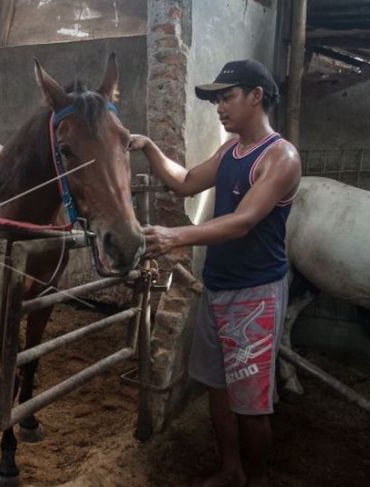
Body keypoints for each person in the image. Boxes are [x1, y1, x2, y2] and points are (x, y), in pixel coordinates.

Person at [129, 60, 301, 487]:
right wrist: (149, 146)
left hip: (256, 293)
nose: (220, 108)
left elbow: (242, 222)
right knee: (217, 386)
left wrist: (175, 237)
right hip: (219, 285)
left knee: (252, 401)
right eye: (217, 100)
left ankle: (256, 478)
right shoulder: (231, 150)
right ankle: (231, 469)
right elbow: (186, 181)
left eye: (227, 97)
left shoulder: (280, 158)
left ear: (256, 95)